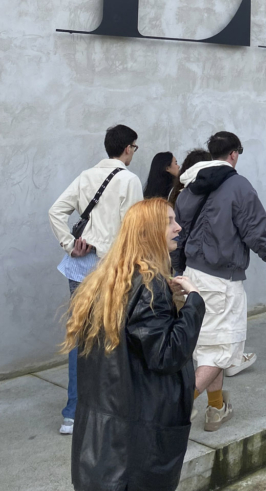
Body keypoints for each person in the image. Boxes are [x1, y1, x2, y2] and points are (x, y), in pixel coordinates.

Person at [64, 198, 205, 491]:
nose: (178, 227)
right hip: (136, 444)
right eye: (168, 221)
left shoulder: (108, 280)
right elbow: (166, 355)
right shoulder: (149, 284)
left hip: (103, 442)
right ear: (147, 232)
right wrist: (193, 303)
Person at [175, 131, 266, 431]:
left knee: (208, 348)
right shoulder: (239, 186)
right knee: (223, 352)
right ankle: (176, 406)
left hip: (192, 277)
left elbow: (177, 234)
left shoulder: (190, 187)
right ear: (234, 154)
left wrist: (177, 273)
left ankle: (216, 409)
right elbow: (256, 230)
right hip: (223, 281)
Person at [48, 124, 143, 435]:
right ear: (128, 147)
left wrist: (68, 244)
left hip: (80, 266)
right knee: (115, 333)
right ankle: (112, 407)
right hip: (112, 268)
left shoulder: (86, 176)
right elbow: (133, 231)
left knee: (81, 334)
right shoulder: (129, 180)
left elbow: (55, 211)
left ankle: (73, 413)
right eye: (134, 147)